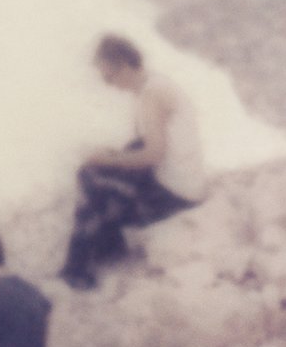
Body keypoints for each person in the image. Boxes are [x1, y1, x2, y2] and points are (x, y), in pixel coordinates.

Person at [60, 32, 206, 289]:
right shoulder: (152, 86)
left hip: (176, 193)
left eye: (109, 76)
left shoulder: (151, 95)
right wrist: (109, 157)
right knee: (100, 173)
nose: (108, 84)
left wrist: (108, 159)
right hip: (176, 180)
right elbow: (149, 146)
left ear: (124, 66)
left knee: (91, 179)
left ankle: (77, 267)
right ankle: (108, 249)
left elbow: (153, 154)